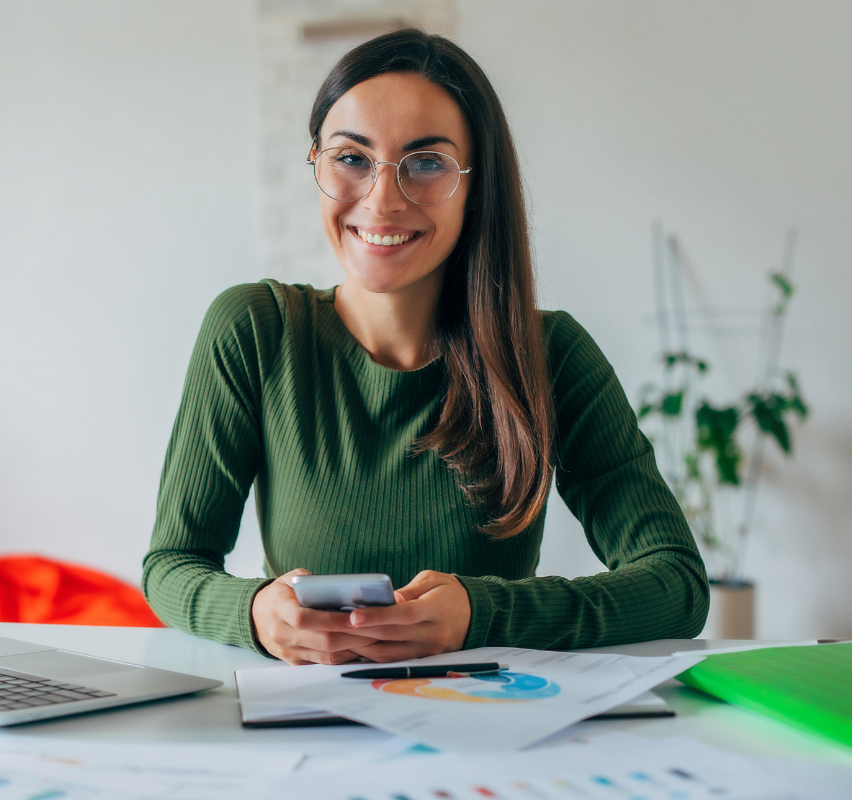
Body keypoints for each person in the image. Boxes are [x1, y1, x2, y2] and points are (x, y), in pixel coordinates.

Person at [142, 29, 708, 665]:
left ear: (476, 185)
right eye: (351, 158)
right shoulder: (253, 330)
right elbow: (172, 565)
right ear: (316, 165)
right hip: (305, 730)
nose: (383, 200)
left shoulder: (550, 354)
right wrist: (253, 612)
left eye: (427, 162)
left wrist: (482, 613)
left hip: (491, 729)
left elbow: (676, 586)